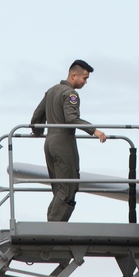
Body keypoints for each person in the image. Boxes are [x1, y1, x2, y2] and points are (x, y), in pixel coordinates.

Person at [31, 59, 107, 221]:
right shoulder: (71, 94)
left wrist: (38, 133)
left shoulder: (51, 91)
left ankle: (51, 223)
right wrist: (94, 130)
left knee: (59, 188)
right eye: (84, 78)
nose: (85, 82)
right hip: (63, 142)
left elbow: (36, 117)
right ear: (74, 76)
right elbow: (71, 118)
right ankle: (54, 227)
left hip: (49, 142)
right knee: (68, 188)